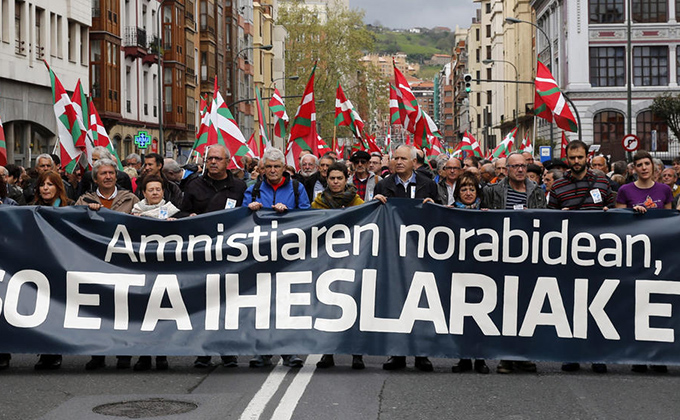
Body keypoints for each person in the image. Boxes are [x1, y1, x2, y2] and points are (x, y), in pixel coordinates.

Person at [548, 140, 614, 374]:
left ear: (588, 156)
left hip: (598, 255)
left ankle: (598, 355)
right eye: (572, 157)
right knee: (570, 306)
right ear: (567, 158)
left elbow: (615, 213)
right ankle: (572, 354)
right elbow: (549, 220)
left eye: (580, 157)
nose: (576, 161)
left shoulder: (603, 182)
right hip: (569, 256)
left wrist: (609, 212)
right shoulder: (557, 187)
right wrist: (558, 217)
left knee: (597, 306)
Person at [179, 145, 247, 367]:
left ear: (227, 161)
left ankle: (228, 351)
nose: (213, 162)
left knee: (227, 304)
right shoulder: (194, 185)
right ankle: (203, 352)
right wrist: (188, 215)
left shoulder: (239, 186)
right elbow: (181, 211)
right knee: (203, 304)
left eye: (218, 158)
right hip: (201, 254)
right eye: (210, 159)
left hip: (228, 254)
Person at [243, 147, 310, 369]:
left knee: (287, 304)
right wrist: (249, 210)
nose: (272, 170)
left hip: (288, 256)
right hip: (259, 255)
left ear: (284, 168)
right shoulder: (252, 189)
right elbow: (238, 219)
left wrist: (288, 213)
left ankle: (290, 351)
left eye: (277, 166)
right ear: (262, 168)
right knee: (261, 305)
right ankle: (262, 351)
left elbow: (309, 217)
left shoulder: (297, 188)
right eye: (268, 166)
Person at [373, 145, 438, 372]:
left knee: (422, 303)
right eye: (395, 158)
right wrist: (376, 203)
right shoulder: (383, 185)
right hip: (393, 253)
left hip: (421, 253)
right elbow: (375, 219)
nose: (398, 162)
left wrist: (434, 207)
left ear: (414, 162)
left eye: (403, 158)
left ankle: (422, 354)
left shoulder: (428, 185)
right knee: (396, 303)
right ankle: (397, 353)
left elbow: (441, 219)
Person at [482, 152, 546, 374]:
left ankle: (524, 354)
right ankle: (506, 357)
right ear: (506, 169)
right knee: (505, 307)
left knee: (527, 308)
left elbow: (545, 221)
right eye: (515, 166)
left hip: (529, 256)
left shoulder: (537, 192)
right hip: (501, 256)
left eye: (523, 166)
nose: (520, 170)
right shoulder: (492, 191)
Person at [76, 159, 140, 370]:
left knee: (124, 310)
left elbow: (143, 224)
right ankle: (98, 354)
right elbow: (73, 225)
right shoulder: (83, 200)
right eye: (103, 173)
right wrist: (87, 212)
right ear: (95, 178)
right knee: (97, 311)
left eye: (111, 173)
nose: (108, 176)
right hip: (94, 262)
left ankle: (124, 354)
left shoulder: (130, 199)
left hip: (124, 263)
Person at [311, 161, 365, 369]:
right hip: (327, 262)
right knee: (327, 307)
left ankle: (357, 353)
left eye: (339, 178)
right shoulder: (318, 203)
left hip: (352, 261)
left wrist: (377, 204)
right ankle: (328, 352)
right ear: (327, 179)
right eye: (332, 178)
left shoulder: (359, 203)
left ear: (346, 179)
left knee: (354, 305)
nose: (335, 182)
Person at [130, 175, 179, 371]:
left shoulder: (175, 212)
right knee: (144, 313)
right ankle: (144, 355)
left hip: (166, 270)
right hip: (143, 269)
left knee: (163, 312)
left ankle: (161, 354)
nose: (155, 193)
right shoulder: (134, 213)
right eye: (151, 190)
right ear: (143, 193)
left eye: (158, 189)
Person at [449, 172, 489, 373]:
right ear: (457, 192)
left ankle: (480, 358)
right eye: (463, 189)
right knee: (460, 317)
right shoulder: (450, 212)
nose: (467, 193)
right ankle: (463, 357)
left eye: (471, 189)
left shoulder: (487, 211)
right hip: (458, 271)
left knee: (481, 316)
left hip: (483, 272)